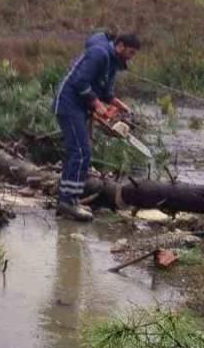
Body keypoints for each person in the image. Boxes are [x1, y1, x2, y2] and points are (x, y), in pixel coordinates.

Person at [51, 32, 142, 221]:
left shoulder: (112, 64)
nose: (131, 57)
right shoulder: (99, 54)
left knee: (81, 152)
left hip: (79, 107)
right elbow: (80, 82)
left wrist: (123, 107)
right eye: (130, 52)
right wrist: (97, 105)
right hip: (69, 104)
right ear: (120, 46)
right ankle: (68, 202)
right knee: (80, 152)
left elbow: (106, 93)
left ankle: (68, 200)